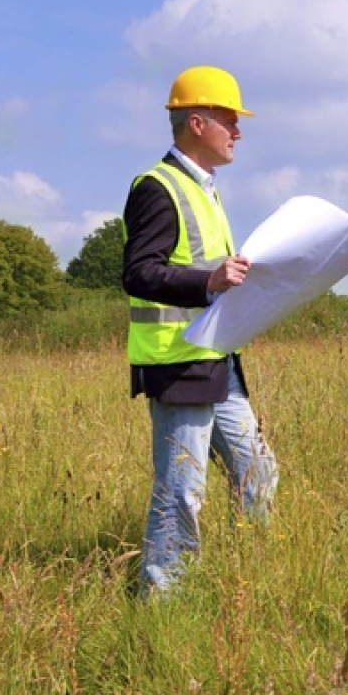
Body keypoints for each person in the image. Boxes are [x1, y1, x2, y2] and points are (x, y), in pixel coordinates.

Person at [122, 65, 278, 595]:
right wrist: (207, 280)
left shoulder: (206, 190)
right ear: (196, 122)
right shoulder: (157, 187)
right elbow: (138, 272)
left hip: (219, 361)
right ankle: (161, 603)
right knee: (180, 491)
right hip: (178, 363)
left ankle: (252, 582)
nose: (238, 131)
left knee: (258, 473)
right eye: (229, 119)